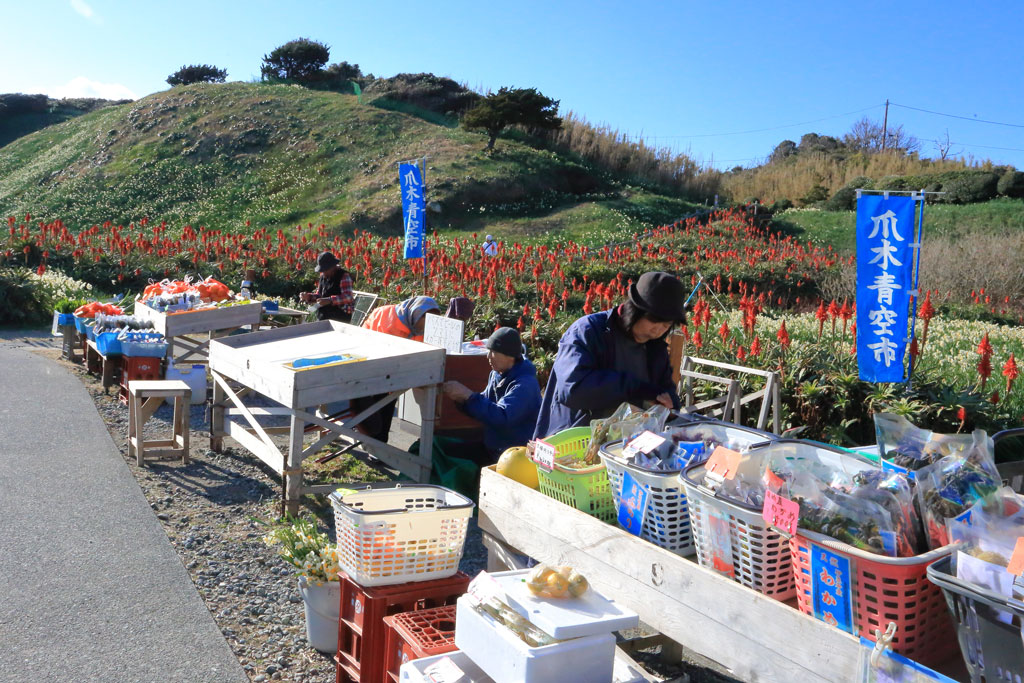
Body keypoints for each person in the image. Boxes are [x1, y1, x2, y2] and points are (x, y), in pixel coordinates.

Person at [533, 271, 685, 439]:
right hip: (574, 439)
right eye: (654, 321)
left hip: (624, 443)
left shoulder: (655, 346)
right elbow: (572, 390)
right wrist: (634, 388)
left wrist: (669, 405)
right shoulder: (587, 331)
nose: (658, 330)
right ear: (634, 309)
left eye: (666, 325)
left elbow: (665, 391)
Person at [443, 327, 541, 461]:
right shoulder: (496, 374)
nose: (488, 356)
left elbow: (502, 417)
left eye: (493, 352)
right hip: (493, 446)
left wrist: (469, 396)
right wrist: (462, 400)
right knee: (442, 450)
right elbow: (485, 404)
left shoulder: (525, 385)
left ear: (510, 356)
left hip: (514, 455)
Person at [355, 296, 441, 443]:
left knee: (387, 405)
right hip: (372, 366)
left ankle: (380, 444)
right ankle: (368, 439)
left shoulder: (419, 325)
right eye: (425, 321)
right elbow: (383, 352)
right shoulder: (387, 321)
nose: (426, 327)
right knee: (372, 404)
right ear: (417, 314)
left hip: (396, 372)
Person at [299, 251, 354, 323]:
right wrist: (309, 297)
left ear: (333, 266)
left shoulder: (344, 276)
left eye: (325, 270)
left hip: (339, 319)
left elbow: (348, 297)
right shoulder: (323, 276)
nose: (323, 272)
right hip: (323, 317)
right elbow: (319, 295)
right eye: (322, 270)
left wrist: (330, 300)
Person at [361, 295, 440, 342]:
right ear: (417, 314)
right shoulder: (384, 316)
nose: (431, 323)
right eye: (428, 318)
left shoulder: (428, 331)